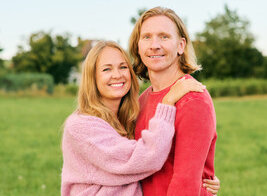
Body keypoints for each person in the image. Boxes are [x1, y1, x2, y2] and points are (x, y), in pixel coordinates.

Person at [61, 41, 218, 195]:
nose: (117, 75)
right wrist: (168, 102)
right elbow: (148, 157)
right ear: (92, 77)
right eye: (106, 69)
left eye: (123, 67)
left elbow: (139, 170)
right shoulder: (81, 126)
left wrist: (199, 179)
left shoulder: (125, 121)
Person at [129, 6, 218, 195]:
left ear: (181, 45)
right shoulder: (142, 100)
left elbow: (185, 183)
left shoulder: (193, 99)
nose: (154, 45)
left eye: (164, 36)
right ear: (138, 46)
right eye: (146, 37)